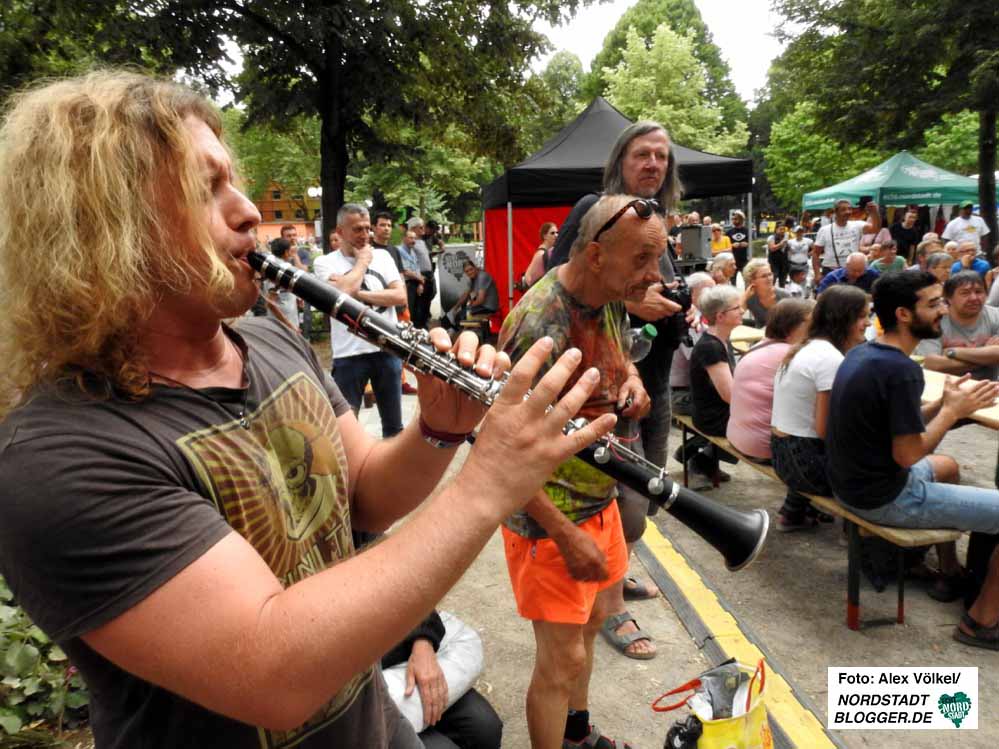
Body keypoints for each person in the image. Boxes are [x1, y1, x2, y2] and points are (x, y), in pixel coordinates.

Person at [0, 70, 617, 748]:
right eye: (206, 188)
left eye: (233, 181)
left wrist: (440, 427)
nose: (246, 213)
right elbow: (273, 675)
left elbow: (366, 496)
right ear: (105, 223)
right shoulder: (58, 457)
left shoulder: (265, 336)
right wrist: (486, 484)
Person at [498, 194, 655, 749]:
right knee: (559, 661)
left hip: (598, 501)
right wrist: (564, 535)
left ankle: (578, 737)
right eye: (641, 261)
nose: (652, 276)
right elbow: (501, 454)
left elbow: (621, 354)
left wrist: (630, 378)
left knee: (586, 634)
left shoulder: (607, 294)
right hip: (549, 522)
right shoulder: (539, 324)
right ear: (594, 254)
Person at [545, 121, 685, 661]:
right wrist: (631, 305)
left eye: (661, 157)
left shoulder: (658, 221)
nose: (653, 164)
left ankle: (617, 573)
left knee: (647, 492)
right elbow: (566, 283)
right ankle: (611, 608)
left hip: (655, 373)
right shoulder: (597, 210)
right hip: (608, 378)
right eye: (641, 154)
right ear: (620, 161)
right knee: (621, 497)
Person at [825, 271, 999, 633]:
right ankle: (981, 621)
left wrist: (941, 405)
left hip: (851, 486)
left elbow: (889, 425)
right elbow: (908, 456)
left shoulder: (865, 353)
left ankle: (952, 573)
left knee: (948, 466)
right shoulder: (901, 370)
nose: (944, 310)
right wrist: (954, 412)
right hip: (884, 497)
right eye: (934, 303)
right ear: (904, 314)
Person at [771, 286, 869, 531]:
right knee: (881, 476)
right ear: (843, 319)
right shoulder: (829, 358)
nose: (868, 323)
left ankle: (793, 513)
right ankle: (862, 542)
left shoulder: (807, 347)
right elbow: (826, 430)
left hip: (783, 456)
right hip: (805, 464)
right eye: (862, 316)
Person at [313, 204, 407, 437]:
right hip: (349, 356)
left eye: (367, 228)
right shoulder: (324, 263)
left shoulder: (384, 256)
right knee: (346, 428)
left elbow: (399, 296)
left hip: (387, 348)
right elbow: (338, 297)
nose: (365, 235)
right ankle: (353, 473)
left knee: (394, 427)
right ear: (340, 231)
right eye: (357, 229)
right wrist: (362, 262)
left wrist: (355, 292)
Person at [727, 298, 813, 462]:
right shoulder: (791, 355)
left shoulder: (760, 345)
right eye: (812, 323)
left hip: (738, 437)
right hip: (762, 448)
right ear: (796, 325)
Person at [687, 284, 742, 483]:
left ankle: (703, 459)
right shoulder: (711, 347)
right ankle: (701, 458)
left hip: (712, 412)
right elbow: (730, 396)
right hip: (712, 418)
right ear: (720, 316)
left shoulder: (719, 340)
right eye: (736, 308)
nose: (742, 310)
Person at [917, 270, 999, 381]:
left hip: (988, 389)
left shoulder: (995, 316)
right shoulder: (935, 320)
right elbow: (932, 364)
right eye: (965, 293)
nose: (974, 298)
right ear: (948, 298)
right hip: (944, 389)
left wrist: (953, 352)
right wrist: (986, 355)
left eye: (979, 292)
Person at [670, 272, 716, 417]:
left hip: (688, 390)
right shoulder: (689, 318)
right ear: (691, 293)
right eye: (709, 291)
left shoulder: (699, 315)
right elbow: (702, 359)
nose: (714, 297)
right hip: (680, 395)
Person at [812, 199, 882, 281]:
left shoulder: (857, 225)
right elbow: (816, 253)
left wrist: (874, 213)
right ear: (836, 212)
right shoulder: (825, 230)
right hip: (832, 271)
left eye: (849, 209)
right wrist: (817, 274)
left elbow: (875, 229)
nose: (848, 212)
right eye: (843, 209)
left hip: (853, 271)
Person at [444, 261, 499, 333]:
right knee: (462, 307)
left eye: (471, 269)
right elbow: (466, 294)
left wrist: (470, 305)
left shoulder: (482, 277)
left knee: (460, 316)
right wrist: (455, 308)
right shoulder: (472, 279)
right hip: (482, 305)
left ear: (475, 268)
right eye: (467, 271)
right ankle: (454, 329)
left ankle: (455, 331)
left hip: (489, 307)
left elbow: (480, 300)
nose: (470, 272)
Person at [265, 237, 301, 331]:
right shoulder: (278, 270)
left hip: (288, 320)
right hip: (282, 325)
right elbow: (270, 302)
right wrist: (289, 325)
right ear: (286, 252)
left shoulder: (276, 265)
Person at [741, 258, 788, 327]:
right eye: (764, 276)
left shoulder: (784, 295)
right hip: (760, 334)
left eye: (770, 274)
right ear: (752, 281)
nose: (769, 278)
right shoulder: (750, 297)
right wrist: (744, 297)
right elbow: (735, 316)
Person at [815, 252, 879, 295]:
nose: (857, 274)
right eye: (854, 270)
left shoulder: (872, 274)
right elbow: (820, 297)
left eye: (860, 271)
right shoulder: (833, 277)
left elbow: (881, 295)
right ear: (846, 266)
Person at [523, 222, 558, 288]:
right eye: (552, 233)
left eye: (557, 232)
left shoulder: (544, 252)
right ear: (545, 236)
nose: (556, 235)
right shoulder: (541, 254)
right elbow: (530, 279)